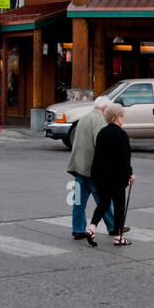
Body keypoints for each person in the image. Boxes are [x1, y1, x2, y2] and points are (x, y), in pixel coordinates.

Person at [66, 96, 119, 240]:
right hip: (93, 169)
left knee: (78, 202)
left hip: (78, 167)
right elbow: (100, 144)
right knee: (104, 199)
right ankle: (114, 227)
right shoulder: (100, 120)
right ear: (104, 108)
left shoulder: (84, 118)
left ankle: (77, 229)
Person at [88, 104, 134, 246]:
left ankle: (92, 228)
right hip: (116, 177)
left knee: (104, 203)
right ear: (116, 117)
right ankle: (118, 237)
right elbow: (124, 158)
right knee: (119, 206)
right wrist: (130, 174)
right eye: (122, 116)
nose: (123, 119)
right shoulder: (121, 134)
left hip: (100, 175)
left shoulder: (102, 132)